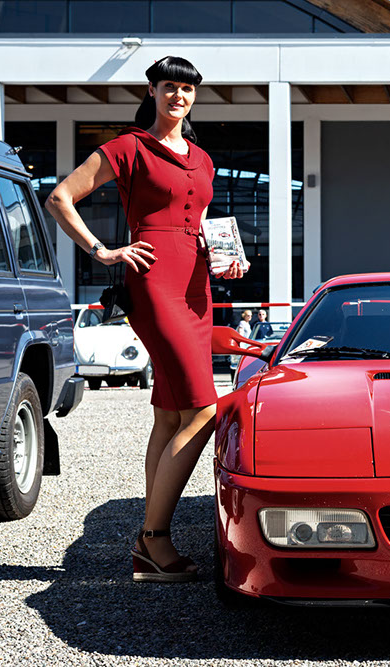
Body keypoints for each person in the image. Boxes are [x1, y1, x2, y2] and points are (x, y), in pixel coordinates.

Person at [46, 56, 246, 583]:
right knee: (203, 411)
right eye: (170, 87)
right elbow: (59, 198)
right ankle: (154, 538)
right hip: (153, 281)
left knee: (168, 416)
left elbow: (200, 221)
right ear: (153, 91)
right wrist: (103, 250)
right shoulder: (128, 147)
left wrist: (228, 256)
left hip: (197, 286)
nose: (179, 96)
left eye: (188, 89)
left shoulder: (202, 158)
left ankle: (147, 547)